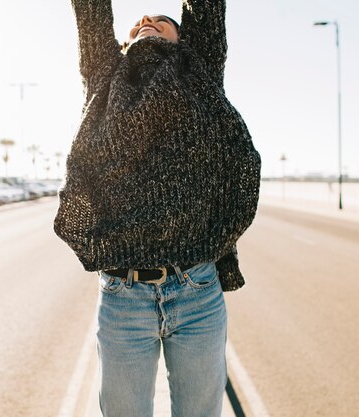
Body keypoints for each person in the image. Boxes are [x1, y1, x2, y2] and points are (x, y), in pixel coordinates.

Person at [54, 1, 261, 416]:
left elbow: (207, 10)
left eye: (163, 22)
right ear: (124, 41)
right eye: (140, 23)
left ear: (184, 40)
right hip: (123, 297)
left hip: (196, 291)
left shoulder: (198, 70)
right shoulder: (105, 77)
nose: (148, 21)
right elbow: (91, 15)